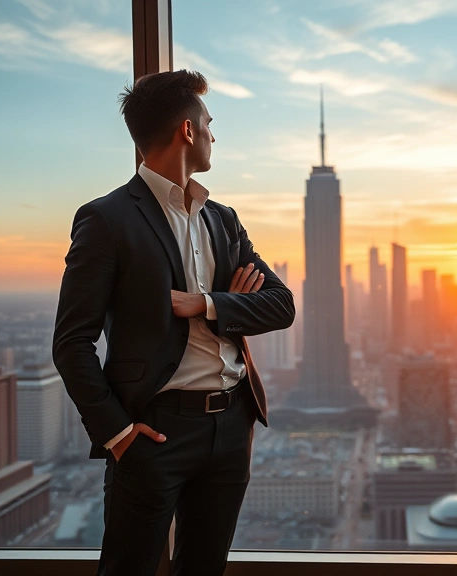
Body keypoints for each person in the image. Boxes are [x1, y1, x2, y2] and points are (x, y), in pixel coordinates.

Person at [53, 69, 294, 576]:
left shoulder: (222, 220)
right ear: (188, 130)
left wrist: (206, 304)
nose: (213, 133)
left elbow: (281, 305)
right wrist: (118, 434)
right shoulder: (108, 219)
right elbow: (72, 343)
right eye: (208, 122)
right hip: (155, 433)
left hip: (232, 426)